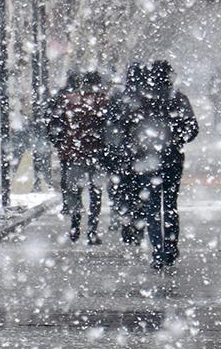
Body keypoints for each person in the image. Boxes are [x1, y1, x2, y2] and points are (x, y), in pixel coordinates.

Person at [126, 59, 198, 269]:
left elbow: (128, 129)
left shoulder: (141, 100)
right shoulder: (178, 98)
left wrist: (138, 147)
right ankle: (170, 247)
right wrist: (177, 139)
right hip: (172, 158)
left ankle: (158, 251)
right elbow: (192, 128)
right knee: (170, 204)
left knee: (152, 206)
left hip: (148, 160)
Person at [47, 70, 109, 244]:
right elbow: (109, 129)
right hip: (96, 154)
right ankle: (92, 231)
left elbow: (54, 125)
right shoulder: (103, 102)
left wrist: (61, 144)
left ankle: (75, 227)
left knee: (75, 193)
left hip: (74, 154)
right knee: (95, 195)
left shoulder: (69, 101)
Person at [104, 62, 147, 244]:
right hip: (141, 155)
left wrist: (110, 150)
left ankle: (126, 225)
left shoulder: (118, 98)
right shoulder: (147, 98)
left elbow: (109, 125)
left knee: (123, 191)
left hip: (121, 154)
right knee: (140, 191)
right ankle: (138, 226)